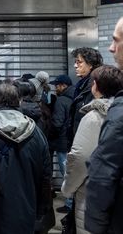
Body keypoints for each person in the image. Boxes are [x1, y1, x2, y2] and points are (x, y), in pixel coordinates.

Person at [0, 83, 52, 234]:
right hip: (28, 209)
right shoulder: (37, 133)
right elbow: (45, 176)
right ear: (19, 102)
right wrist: (42, 210)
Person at [61, 65, 123, 234]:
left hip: (92, 193)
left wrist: (67, 188)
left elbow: (80, 158)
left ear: (95, 85)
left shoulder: (94, 117)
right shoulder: (119, 111)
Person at [85, 17, 123, 234]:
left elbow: (102, 174)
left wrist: (95, 227)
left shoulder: (118, 114)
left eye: (116, 40)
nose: (111, 48)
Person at [48, 74, 75, 213]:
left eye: (57, 85)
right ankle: (72, 203)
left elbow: (57, 123)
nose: (55, 88)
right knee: (71, 174)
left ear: (64, 86)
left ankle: (70, 205)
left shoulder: (62, 100)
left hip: (62, 143)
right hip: (72, 141)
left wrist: (49, 135)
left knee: (66, 174)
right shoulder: (76, 96)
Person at [69, 47, 103, 143]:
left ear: (90, 64)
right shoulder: (81, 85)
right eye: (75, 62)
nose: (75, 66)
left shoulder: (96, 86)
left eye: (79, 62)